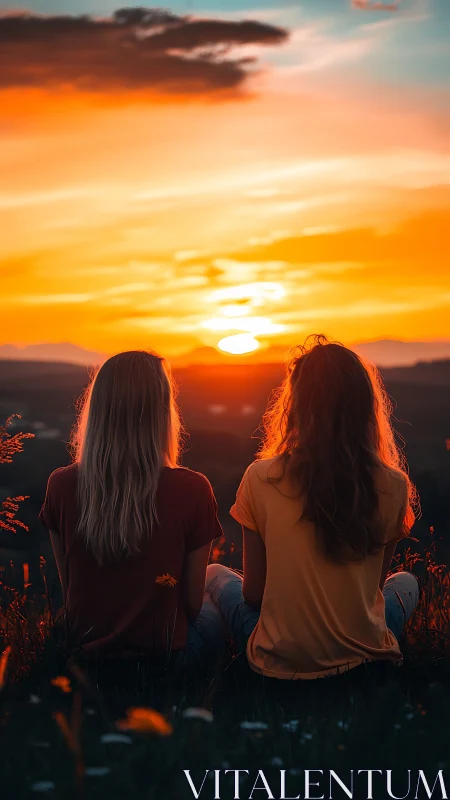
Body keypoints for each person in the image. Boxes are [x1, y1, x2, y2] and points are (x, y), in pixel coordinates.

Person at [206, 335, 420, 680]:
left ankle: (210, 665)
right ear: (365, 407)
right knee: (406, 583)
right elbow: (371, 593)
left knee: (215, 575)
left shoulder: (262, 477)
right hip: (364, 663)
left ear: (296, 406)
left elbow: (254, 593)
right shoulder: (393, 485)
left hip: (277, 664)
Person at [39, 350, 225, 677]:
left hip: (87, 660)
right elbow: (193, 607)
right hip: (168, 659)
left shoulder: (60, 485)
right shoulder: (193, 488)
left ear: (98, 409)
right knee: (222, 594)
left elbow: (72, 592)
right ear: (162, 412)